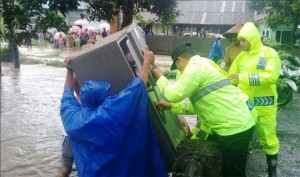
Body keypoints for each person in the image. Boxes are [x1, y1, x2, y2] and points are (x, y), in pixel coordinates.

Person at [150, 43, 257, 177]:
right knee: (225, 167)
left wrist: (160, 76)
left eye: (176, 66)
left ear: (180, 60)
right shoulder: (204, 64)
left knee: (233, 172)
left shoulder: (195, 67)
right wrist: (172, 107)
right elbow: (199, 105)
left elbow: (174, 94)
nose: (178, 70)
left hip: (234, 128)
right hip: (235, 124)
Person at [60, 47, 167, 177]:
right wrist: (146, 63)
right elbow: (138, 88)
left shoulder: (72, 118)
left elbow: (67, 92)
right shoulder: (112, 112)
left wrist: (69, 71)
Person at [229, 22, 281, 177]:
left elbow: (271, 77)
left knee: (269, 140)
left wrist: (243, 78)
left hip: (265, 106)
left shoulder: (270, 54)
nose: (241, 43)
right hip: (245, 105)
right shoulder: (241, 57)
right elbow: (231, 76)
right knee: (242, 139)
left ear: (253, 39)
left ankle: (272, 172)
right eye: (241, 40)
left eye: (244, 40)